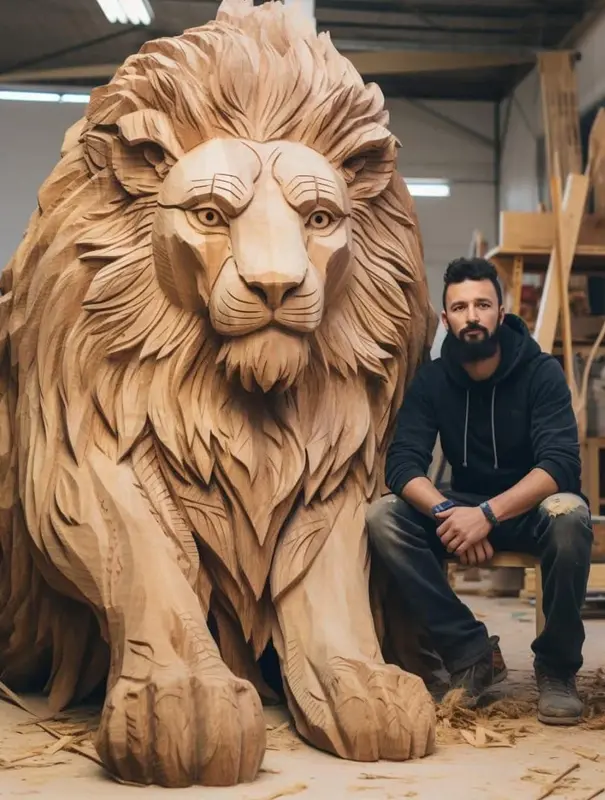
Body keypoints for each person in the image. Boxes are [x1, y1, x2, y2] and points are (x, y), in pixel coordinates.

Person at [366, 257, 593, 726]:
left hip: (531, 509)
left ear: (501, 311)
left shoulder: (540, 372)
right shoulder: (432, 380)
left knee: (569, 514)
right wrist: (452, 514)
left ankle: (556, 670)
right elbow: (403, 463)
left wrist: (487, 515)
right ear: (445, 319)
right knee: (382, 518)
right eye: (460, 306)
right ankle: (472, 654)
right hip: (462, 507)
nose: (472, 315)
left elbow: (561, 464)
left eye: (482, 304)